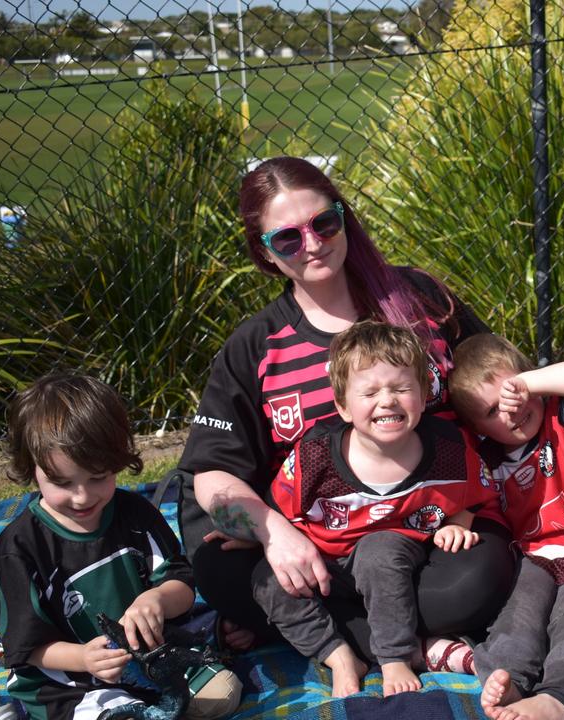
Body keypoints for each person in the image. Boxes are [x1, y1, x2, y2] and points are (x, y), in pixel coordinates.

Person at [177, 157, 515, 654]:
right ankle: (405, 642)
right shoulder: (256, 346)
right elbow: (210, 472)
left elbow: (490, 378)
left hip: (435, 527)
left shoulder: (417, 297)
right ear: (265, 254)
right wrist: (272, 532)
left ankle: (329, 636)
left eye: (324, 223)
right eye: (287, 238)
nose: (312, 244)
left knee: (473, 584)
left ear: (343, 218)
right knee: (221, 568)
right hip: (321, 544)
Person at [253, 322, 499, 697]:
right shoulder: (313, 457)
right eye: (369, 392)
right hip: (323, 565)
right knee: (266, 578)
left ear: (423, 393)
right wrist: (250, 534)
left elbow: (480, 492)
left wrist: (458, 521)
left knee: (379, 550)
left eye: (401, 388)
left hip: (397, 562)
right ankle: (337, 656)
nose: (387, 400)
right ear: (343, 406)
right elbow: (277, 510)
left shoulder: (448, 450)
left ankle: (395, 658)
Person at [0, 373, 241, 720]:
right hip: (71, 677)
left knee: (223, 694)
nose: (82, 497)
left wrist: (155, 599)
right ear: (31, 469)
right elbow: (28, 648)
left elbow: (182, 586)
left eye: (98, 477)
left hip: (150, 654)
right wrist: (83, 659)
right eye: (62, 483)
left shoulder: (135, 513)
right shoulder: (20, 547)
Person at [449, 333, 564, 720]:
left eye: (513, 392)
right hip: (533, 557)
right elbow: (472, 503)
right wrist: (456, 524)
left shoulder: (562, 418)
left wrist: (528, 384)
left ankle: (559, 697)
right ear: (476, 427)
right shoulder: (488, 458)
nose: (511, 409)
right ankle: (509, 680)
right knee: (519, 617)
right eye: (493, 410)